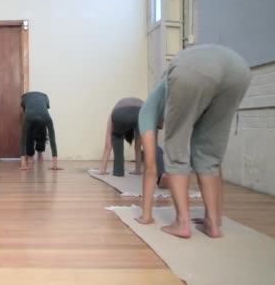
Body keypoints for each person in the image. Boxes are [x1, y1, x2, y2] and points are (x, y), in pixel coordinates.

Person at [137, 44, 251, 238]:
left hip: (192, 69)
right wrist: (217, 214)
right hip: (239, 70)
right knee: (209, 151)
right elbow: (214, 161)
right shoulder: (168, 102)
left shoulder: (147, 111)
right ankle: (212, 223)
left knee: (175, 148)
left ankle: (182, 223)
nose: (162, 127)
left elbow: (150, 167)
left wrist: (146, 216)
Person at [97, 98, 143, 176]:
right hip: (141, 111)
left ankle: (118, 171)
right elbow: (138, 146)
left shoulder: (112, 115)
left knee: (116, 137)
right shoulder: (140, 106)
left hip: (120, 113)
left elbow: (108, 145)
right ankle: (138, 170)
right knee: (138, 145)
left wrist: (102, 169)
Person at [19, 91, 62, 170]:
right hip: (33, 114)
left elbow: (23, 140)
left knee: (35, 128)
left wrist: (23, 165)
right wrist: (55, 165)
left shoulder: (28, 102)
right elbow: (52, 139)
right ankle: (32, 155)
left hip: (31, 115)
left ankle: (35, 155)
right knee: (32, 129)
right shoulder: (47, 117)